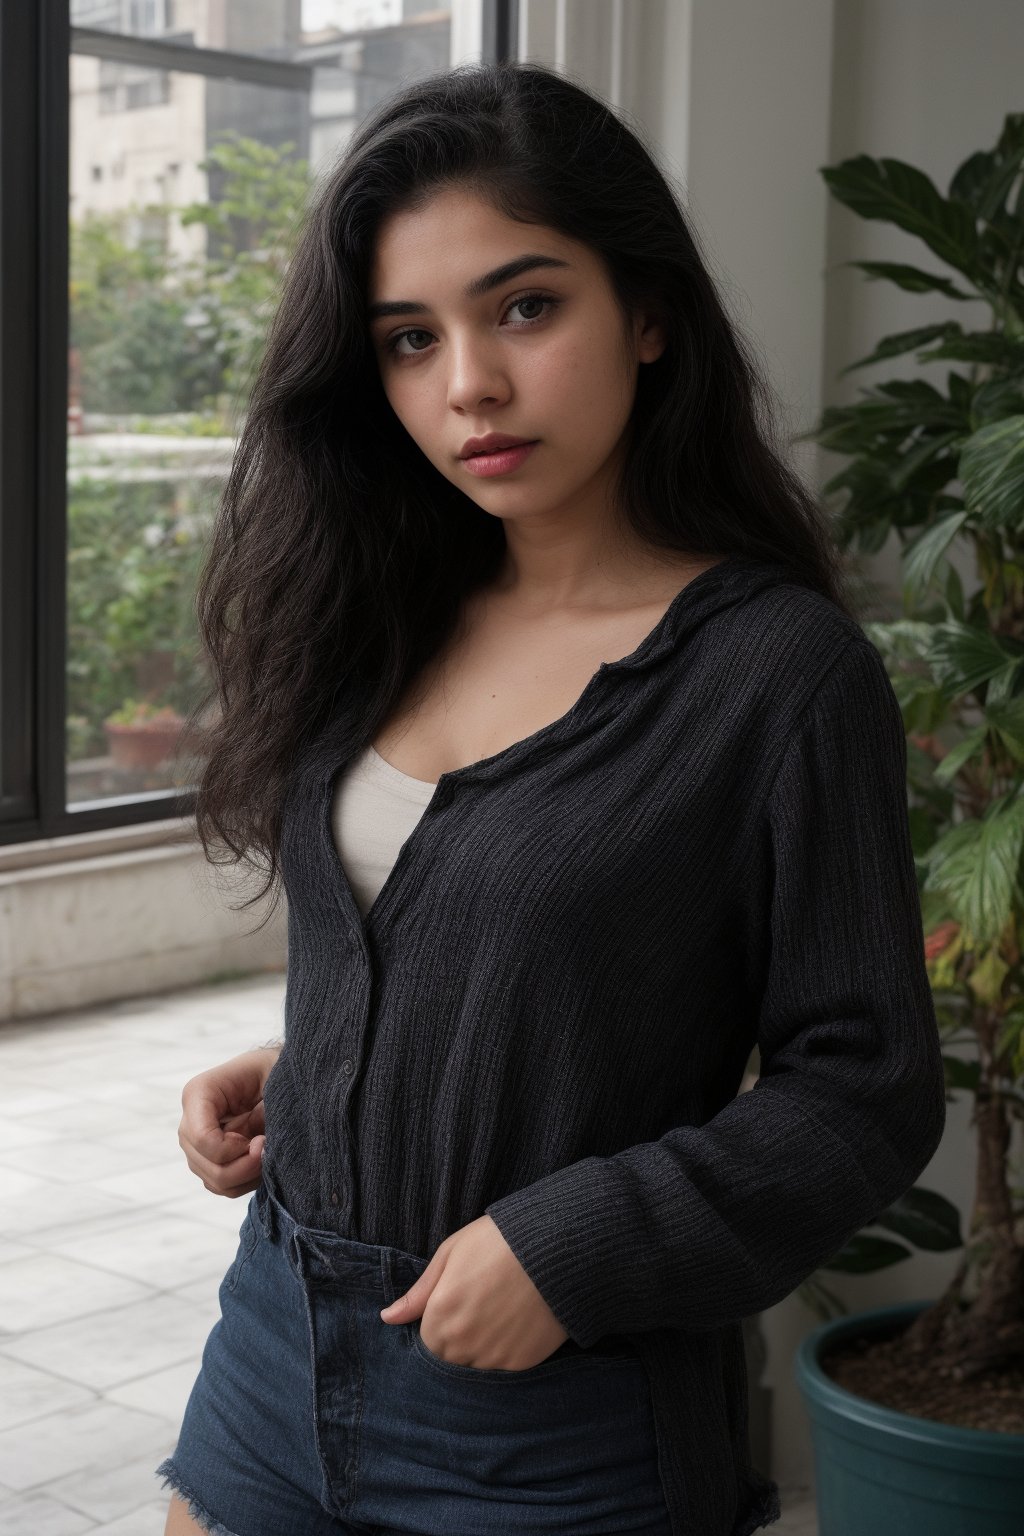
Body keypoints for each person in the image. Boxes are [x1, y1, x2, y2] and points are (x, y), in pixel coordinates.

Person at [156, 59, 946, 1536]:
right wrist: (318, 1064)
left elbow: (867, 1088)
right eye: (409, 338)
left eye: (525, 306)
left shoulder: (777, 676)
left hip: (551, 1411)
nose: (468, 384)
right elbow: (476, 931)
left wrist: (574, 1248)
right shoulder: (380, 613)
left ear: (647, 314)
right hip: (274, 1336)